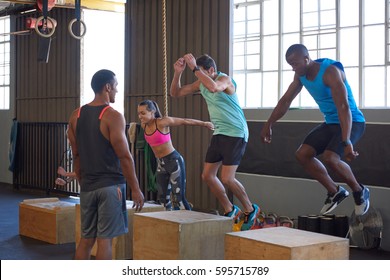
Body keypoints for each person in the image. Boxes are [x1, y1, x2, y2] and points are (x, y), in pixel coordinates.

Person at [260, 44, 370, 216]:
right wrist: (269, 123)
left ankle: (359, 191)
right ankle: (335, 191)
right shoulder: (300, 75)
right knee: (302, 154)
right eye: (291, 65)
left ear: (307, 59)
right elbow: (285, 101)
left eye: (296, 64)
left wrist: (347, 140)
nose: (293, 69)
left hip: (352, 121)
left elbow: (343, 106)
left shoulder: (330, 72)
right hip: (331, 123)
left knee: (331, 158)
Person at [170, 53, 260, 231]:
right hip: (219, 133)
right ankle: (230, 209)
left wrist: (195, 69)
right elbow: (176, 93)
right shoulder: (202, 82)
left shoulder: (225, 79)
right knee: (207, 176)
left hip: (236, 132)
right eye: (198, 74)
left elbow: (213, 88)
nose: (199, 77)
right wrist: (178, 73)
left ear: (212, 70)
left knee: (227, 178)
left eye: (203, 73)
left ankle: (250, 209)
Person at [67, 69, 144, 259]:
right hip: (111, 186)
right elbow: (125, 156)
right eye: (116, 86)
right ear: (107, 87)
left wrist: (82, 181)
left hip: (87, 187)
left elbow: (75, 154)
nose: (117, 90)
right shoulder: (113, 116)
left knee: (86, 240)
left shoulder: (75, 115)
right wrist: (135, 188)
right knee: (105, 241)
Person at [137, 99, 214, 210]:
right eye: (139, 113)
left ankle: (188, 223)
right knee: (163, 199)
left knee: (179, 198)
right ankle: (170, 223)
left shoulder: (162, 122)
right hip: (161, 165)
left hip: (174, 162)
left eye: (143, 113)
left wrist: (204, 123)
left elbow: (184, 121)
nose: (140, 116)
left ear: (152, 111)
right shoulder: (144, 126)